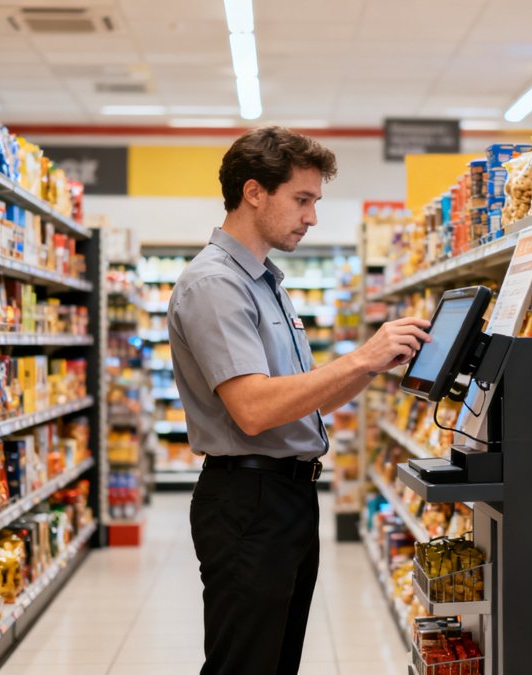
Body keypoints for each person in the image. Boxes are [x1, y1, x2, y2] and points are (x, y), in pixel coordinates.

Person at [166, 126, 432, 675]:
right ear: (253, 192)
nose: (312, 217)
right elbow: (255, 408)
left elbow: (299, 399)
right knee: (245, 665)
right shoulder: (216, 285)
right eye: (302, 199)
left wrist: (375, 362)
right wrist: (359, 358)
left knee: (275, 662)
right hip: (249, 500)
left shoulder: (265, 283)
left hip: (285, 497)